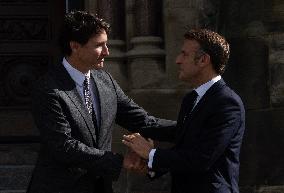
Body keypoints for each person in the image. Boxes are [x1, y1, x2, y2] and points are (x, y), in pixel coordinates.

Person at [27, 11, 176, 193]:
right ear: (75, 46)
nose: (107, 51)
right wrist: (120, 161)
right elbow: (63, 145)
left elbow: (143, 121)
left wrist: (191, 127)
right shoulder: (48, 88)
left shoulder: (105, 80)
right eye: (99, 45)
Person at [123, 29, 246, 193]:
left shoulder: (227, 102)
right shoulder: (191, 99)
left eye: (184, 54)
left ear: (203, 60)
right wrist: (150, 164)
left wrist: (151, 154)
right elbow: (185, 148)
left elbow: (202, 159)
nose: (177, 60)